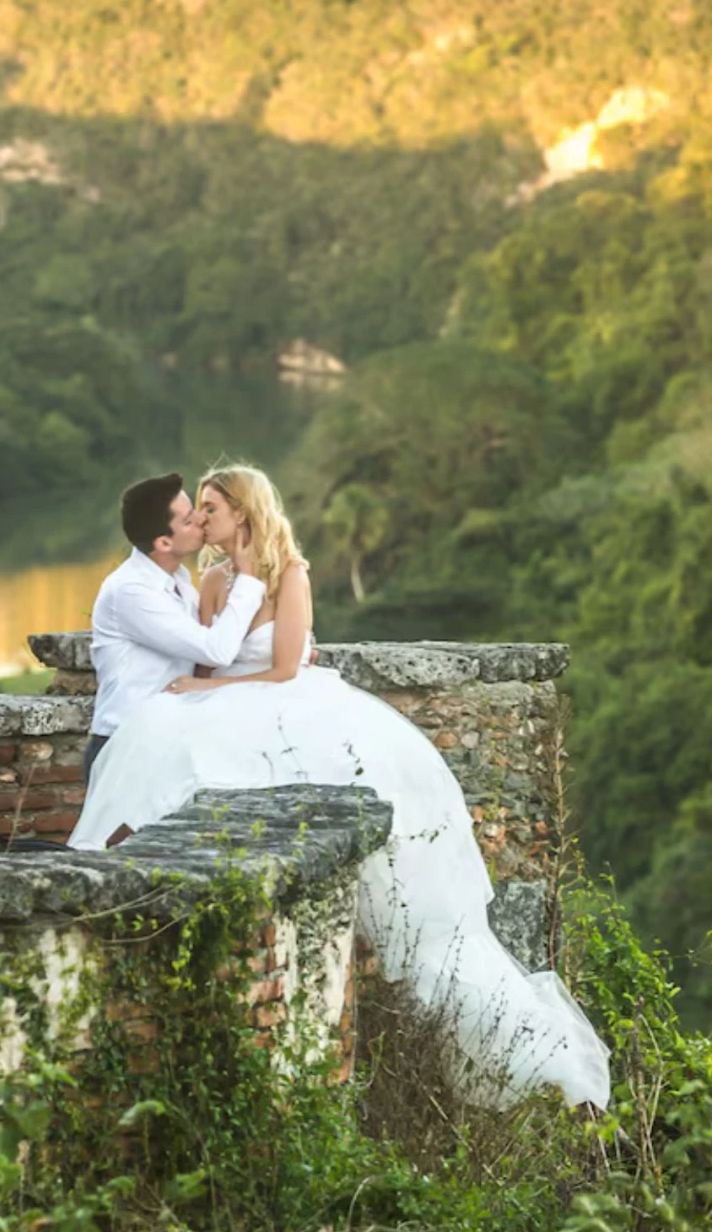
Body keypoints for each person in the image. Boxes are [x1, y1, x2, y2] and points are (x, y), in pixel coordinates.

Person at [69, 463, 611, 1110]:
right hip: (228, 714)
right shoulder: (208, 581)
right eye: (195, 512)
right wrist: (210, 674)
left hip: (283, 702)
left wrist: (217, 683)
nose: (202, 521)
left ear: (241, 513)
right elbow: (206, 653)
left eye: (210, 509)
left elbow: (279, 667)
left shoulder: (288, 572)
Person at [83, 472, 269, 785]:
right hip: (125, 747)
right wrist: (248, 577)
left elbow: (212, 644)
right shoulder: (131, 591)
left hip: (164, 740)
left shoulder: (179, 579)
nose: (201, 519)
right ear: (164, 542)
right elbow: (216, 650)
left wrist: (279, 651)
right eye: (188, 519)